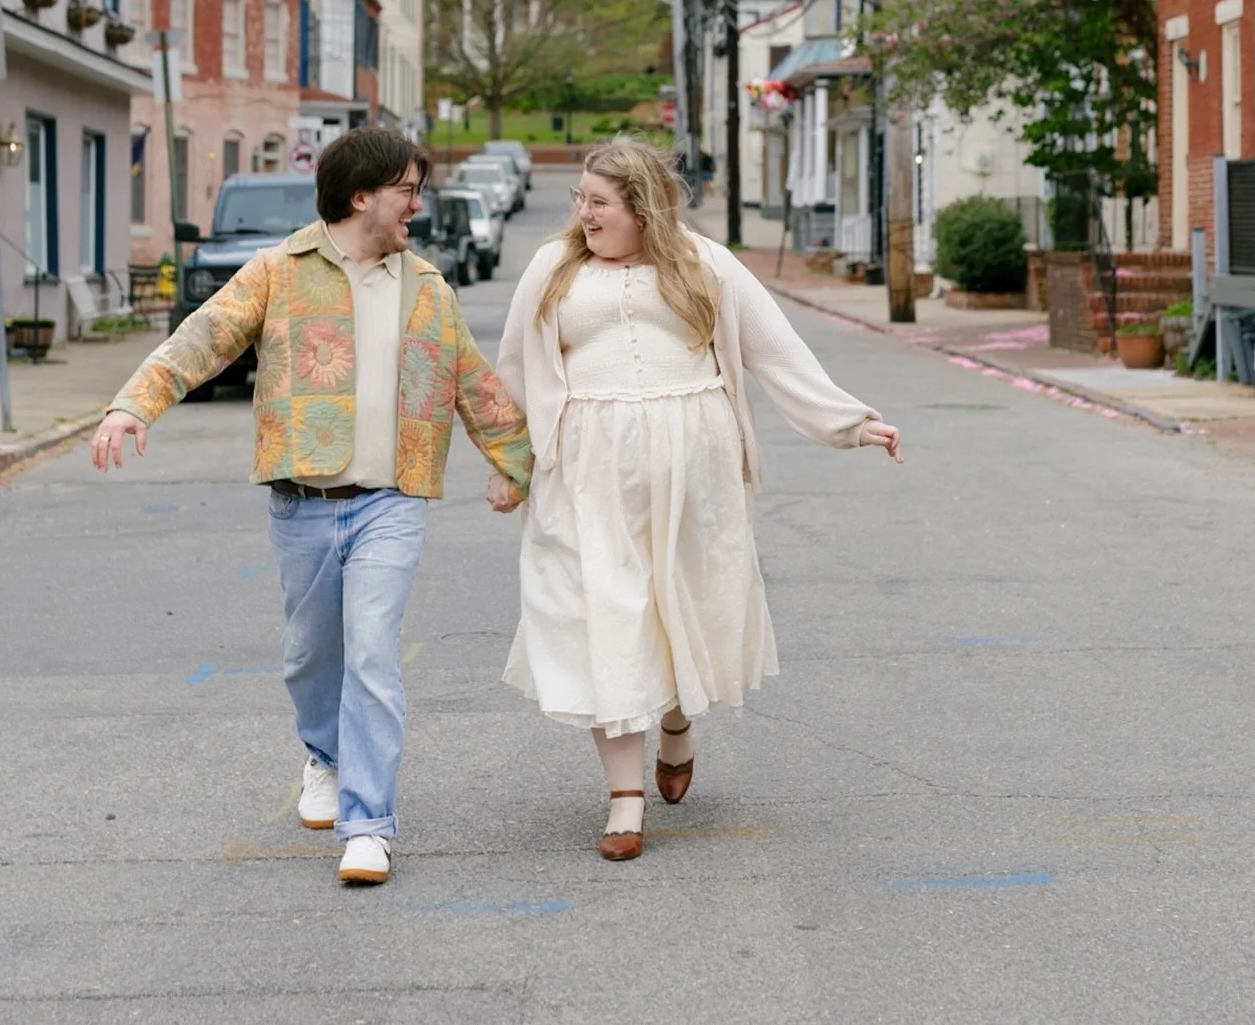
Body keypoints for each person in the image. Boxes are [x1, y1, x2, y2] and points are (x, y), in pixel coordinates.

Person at [93, 128, 530, 887]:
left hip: (392, 499)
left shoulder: (427, 286)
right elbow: (203, 340)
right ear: (362, 195)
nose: (418, 206)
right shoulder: (277, 272)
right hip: (303, 502)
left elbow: (473, 381)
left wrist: (515, 464)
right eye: (407, 191)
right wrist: (134, 405)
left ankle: (369, 826)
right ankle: (324, 755)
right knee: (309, 656)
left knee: (370, 651)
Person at [493, 138, 901, 862]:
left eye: (598, 201)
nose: (582, 213)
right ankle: (624, 798)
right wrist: (510, 464)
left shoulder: (706, 264)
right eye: (580, 199)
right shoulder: (553, 269)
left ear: (642, 208)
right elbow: (516, 371)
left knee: (687, 601)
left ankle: (677, 721)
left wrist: (852, 423)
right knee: (600, 611)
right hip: (586, 467)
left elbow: (776, 351)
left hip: (697, 462)